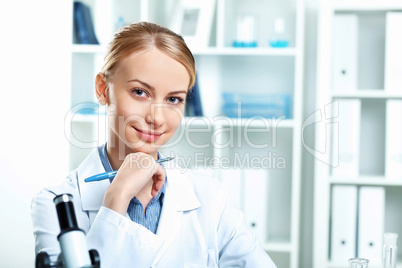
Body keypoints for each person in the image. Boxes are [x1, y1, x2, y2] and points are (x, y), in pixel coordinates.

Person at [31, 22, 276, 268]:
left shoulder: (212, 197)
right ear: (103, 89)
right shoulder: (55, 203)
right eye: (140, 92)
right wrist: (117, 198)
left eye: (173, 99)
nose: (156, 118)